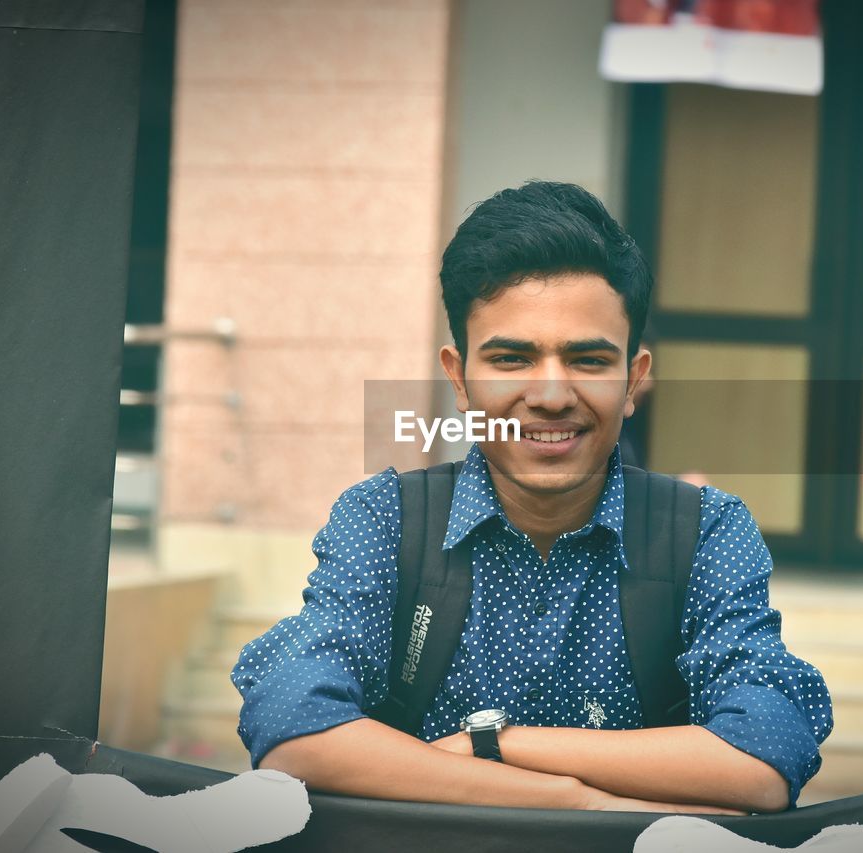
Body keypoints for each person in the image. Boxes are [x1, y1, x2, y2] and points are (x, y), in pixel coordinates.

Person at [231, 181, 832, 815]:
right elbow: (295, 730)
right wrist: (575, 802)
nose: (550, 396)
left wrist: (495, 745)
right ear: (458, 379)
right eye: (512, 358)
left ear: (635, 380)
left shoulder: (705, 530)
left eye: (589, 360)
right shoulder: (387, 519)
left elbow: (762, 759)